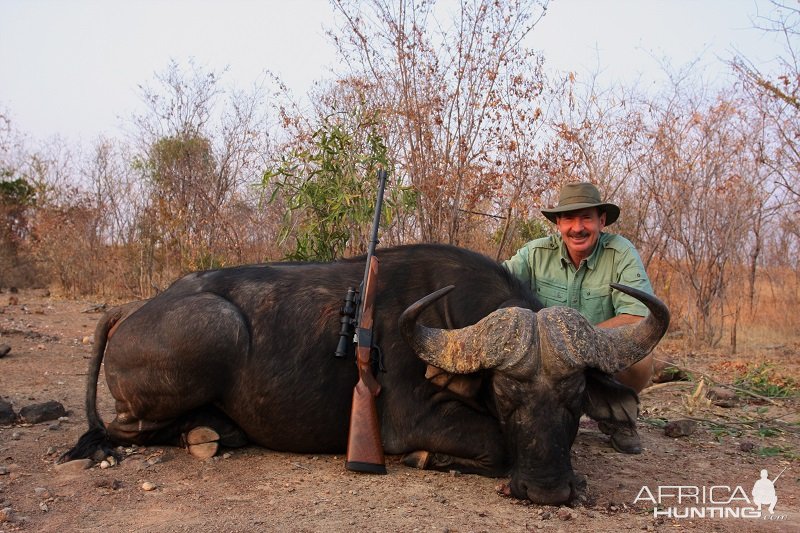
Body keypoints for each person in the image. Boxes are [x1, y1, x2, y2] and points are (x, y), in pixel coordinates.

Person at [503, 181, 654, 454]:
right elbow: (496, 286)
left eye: (586, 218)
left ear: (602, 220)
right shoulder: (534, 253)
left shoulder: (621, 252)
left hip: (597, 355)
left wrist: (576, 341)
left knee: (641, 358)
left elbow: (635, 318)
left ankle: (618, 418)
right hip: (542, 363)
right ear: (558, 223)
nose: (578, 227)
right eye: (569, 218)